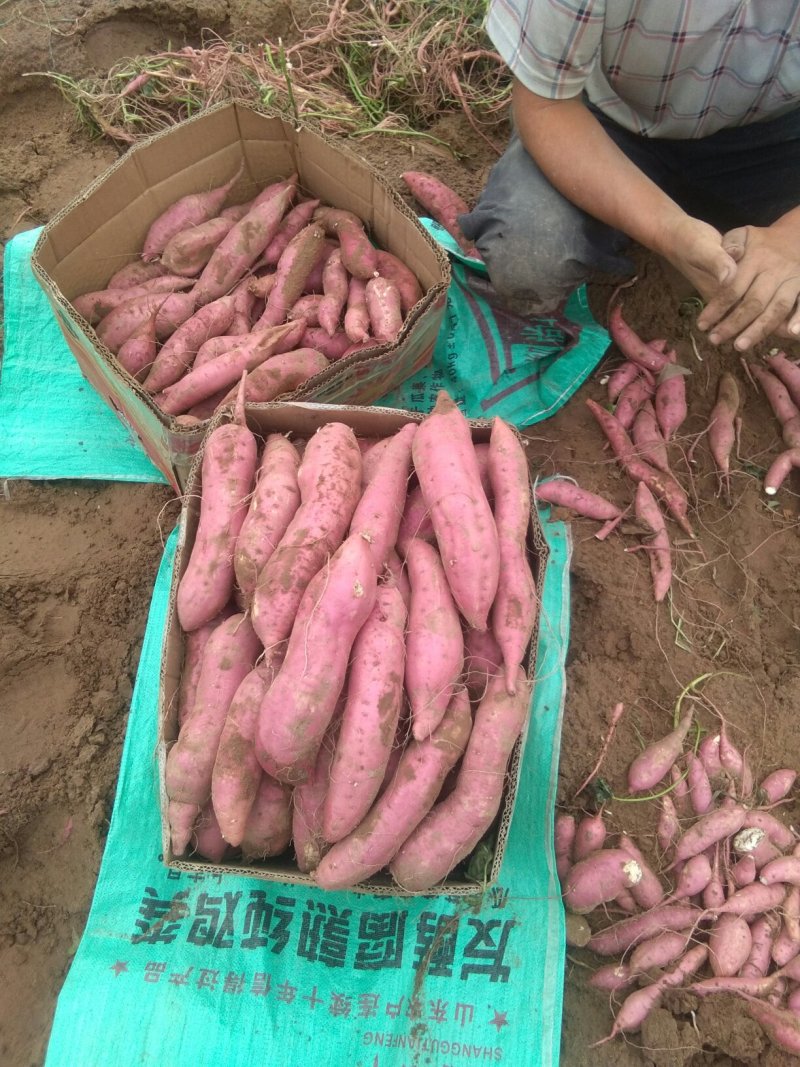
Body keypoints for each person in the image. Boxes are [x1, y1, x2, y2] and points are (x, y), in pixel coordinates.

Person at [459, 1, 800, 352]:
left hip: (777, 140)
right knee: (527, 261)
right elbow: (547, 105)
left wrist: (792, 237)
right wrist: (669, 230)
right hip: (605, 122)